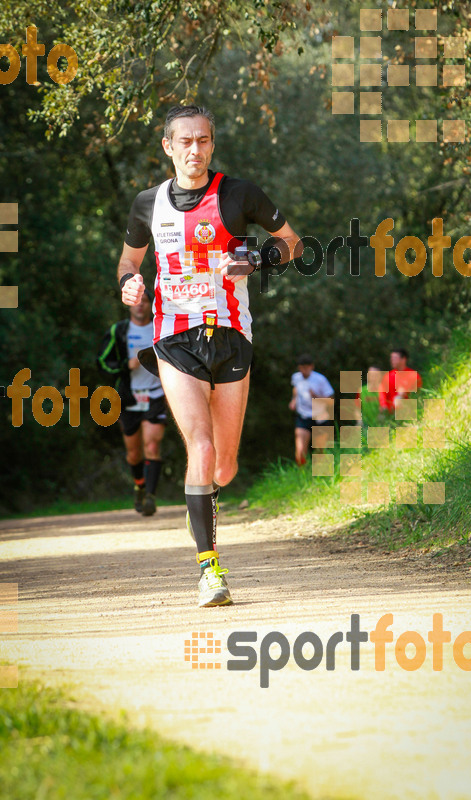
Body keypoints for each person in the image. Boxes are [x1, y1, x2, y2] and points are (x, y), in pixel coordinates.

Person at [117, 104, 301, 607]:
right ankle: (210, 569)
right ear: (168, 147)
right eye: (185, 142)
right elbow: (129, 262)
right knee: (199, 447)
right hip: (173, 339)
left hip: (232, 336)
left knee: (224, 466)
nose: (194, 150)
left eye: (203, 141)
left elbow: (293, 243)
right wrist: (130, 284)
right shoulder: (146, 204)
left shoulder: (240, 194)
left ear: (211, 145)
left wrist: (256, 257)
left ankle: (202, 500)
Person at [97, 289, 167, 516]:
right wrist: (125, 366)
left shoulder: (162, 327)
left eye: (145, 301)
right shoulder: (119, 331)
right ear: (129, 305)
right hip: (128, 398)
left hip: (156, 395)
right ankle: (140, 486)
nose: (140, 306)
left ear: (150, 305)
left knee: (152, 446)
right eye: (136, 302)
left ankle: (150, 497)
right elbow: (102, 363)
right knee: (134, 454)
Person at [289, 354, 335, 466]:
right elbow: (295, 389)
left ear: (311, 367)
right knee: (300, 452)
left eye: (306, 367)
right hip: (303, 416)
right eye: (301, 368)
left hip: (320, 416)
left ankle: (319, 477)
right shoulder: (296, 377)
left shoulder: (320, 379)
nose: (303, 370)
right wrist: (294, 400)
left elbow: (331, 400)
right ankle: (301, 476)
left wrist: (316, 397)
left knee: (320, 452)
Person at [378, 348, 422, 415]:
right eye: (391, 358)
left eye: (394, 358)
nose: (392, 360)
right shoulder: (388, 376)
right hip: (391, 415)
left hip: (409, 413)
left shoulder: (413, 375)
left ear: (403, 359)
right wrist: (384, 406)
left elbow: (418, 394)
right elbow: (382, 394)